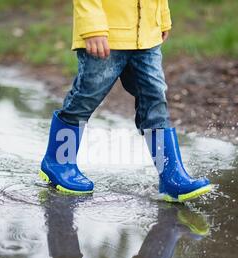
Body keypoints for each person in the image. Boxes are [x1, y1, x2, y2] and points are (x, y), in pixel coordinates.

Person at [39, 0, 211, 202]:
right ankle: (58, 161)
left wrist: (162, 18)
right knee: (86, 98)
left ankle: (172, 177)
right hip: (105, 37)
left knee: (155, 98)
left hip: (147, 36)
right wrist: (93, 28)